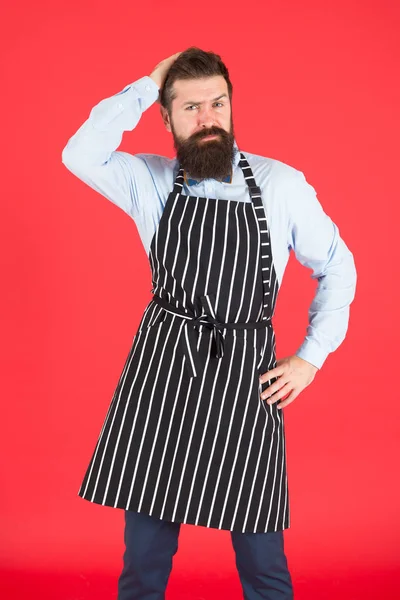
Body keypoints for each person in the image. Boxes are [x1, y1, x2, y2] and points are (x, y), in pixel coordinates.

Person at [61, 47, 357, 600]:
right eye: (190, 107)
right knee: (144, 560)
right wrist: (149, 83)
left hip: (247, 378)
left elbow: (338, 267)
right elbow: (79, 153)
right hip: (163, 372)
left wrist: (311, 357)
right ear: (167, 117)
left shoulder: (281, 185)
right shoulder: (147, 180)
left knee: (263, 560)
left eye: (217, 103)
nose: (207, 119)